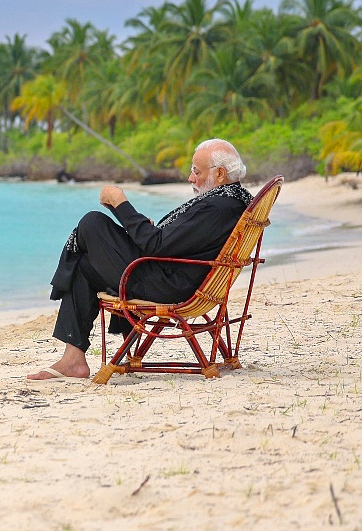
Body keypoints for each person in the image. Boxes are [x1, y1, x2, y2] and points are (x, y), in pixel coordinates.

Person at [27, 138, 253, 381]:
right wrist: (143, 229)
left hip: (168, 285)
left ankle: (63, 288)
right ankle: (73, 360)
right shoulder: (230, 200)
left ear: (219, 174)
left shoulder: (218, 207)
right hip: (171, 275)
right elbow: (171, 242)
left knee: (92, 223)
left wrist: (119, 203)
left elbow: (156, 245)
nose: (190, 178)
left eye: (196, 171)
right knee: (84, 265)